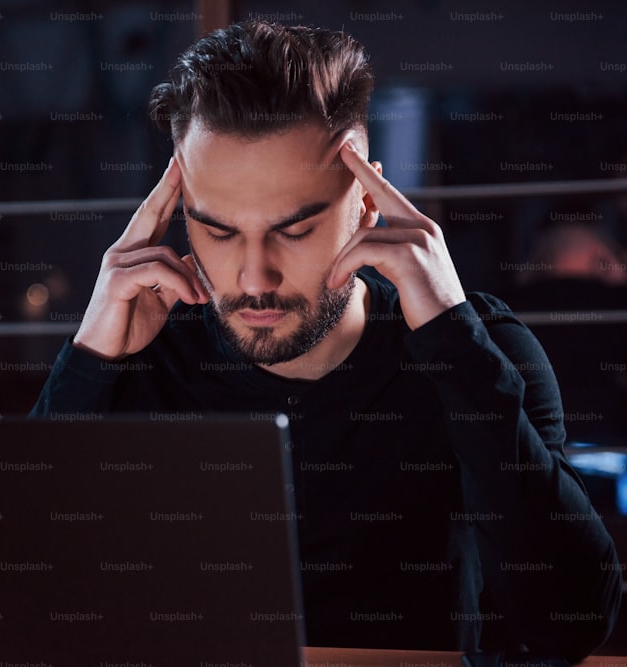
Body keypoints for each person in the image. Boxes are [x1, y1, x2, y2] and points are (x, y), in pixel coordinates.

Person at [30, 20, 620, 660]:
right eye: (219, 232)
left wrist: (453, 340)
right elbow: (12, 601)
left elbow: (570, 623)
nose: (255, 279)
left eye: (295, 230)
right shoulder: (145, 361)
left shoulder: (477, 350)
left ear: (367, 204)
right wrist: (89, 359)